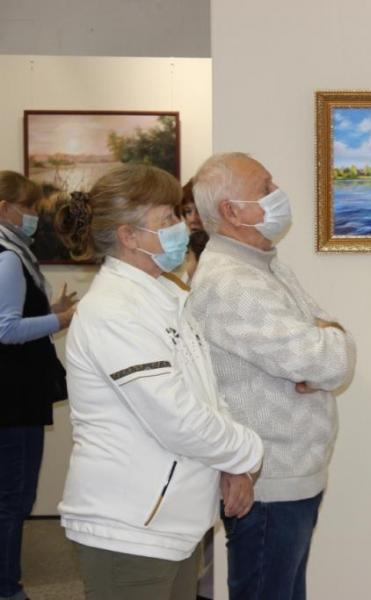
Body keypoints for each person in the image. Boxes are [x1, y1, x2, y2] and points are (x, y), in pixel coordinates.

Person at [54, 164, 265, 600]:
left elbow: (205, 394)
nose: (182, 226)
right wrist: (248, 452)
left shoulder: (167, 295)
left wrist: (232, 464)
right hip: (128, 527)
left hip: (172, 520)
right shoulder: (113, 311)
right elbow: (177, 418)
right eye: (167, 218)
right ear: (129, 236)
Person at [188, 153, 356, 600]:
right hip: (268, 485)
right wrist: (327, 345)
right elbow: (328, 360)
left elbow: (329, 344)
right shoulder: (230, 282)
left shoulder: (265, 264)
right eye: (264, 188)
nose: (277, 192)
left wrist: (329, 340)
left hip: (292, 476)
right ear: (231, 211)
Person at [0, 171, 76, 600]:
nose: (33, 215)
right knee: (13, 498)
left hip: (12, 394)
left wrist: (48, 311)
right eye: (27, 207)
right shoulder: (9, 257)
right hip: (14, 397)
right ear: (4, 208)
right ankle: (7, 588)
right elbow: (6, 330)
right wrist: (59, 320)